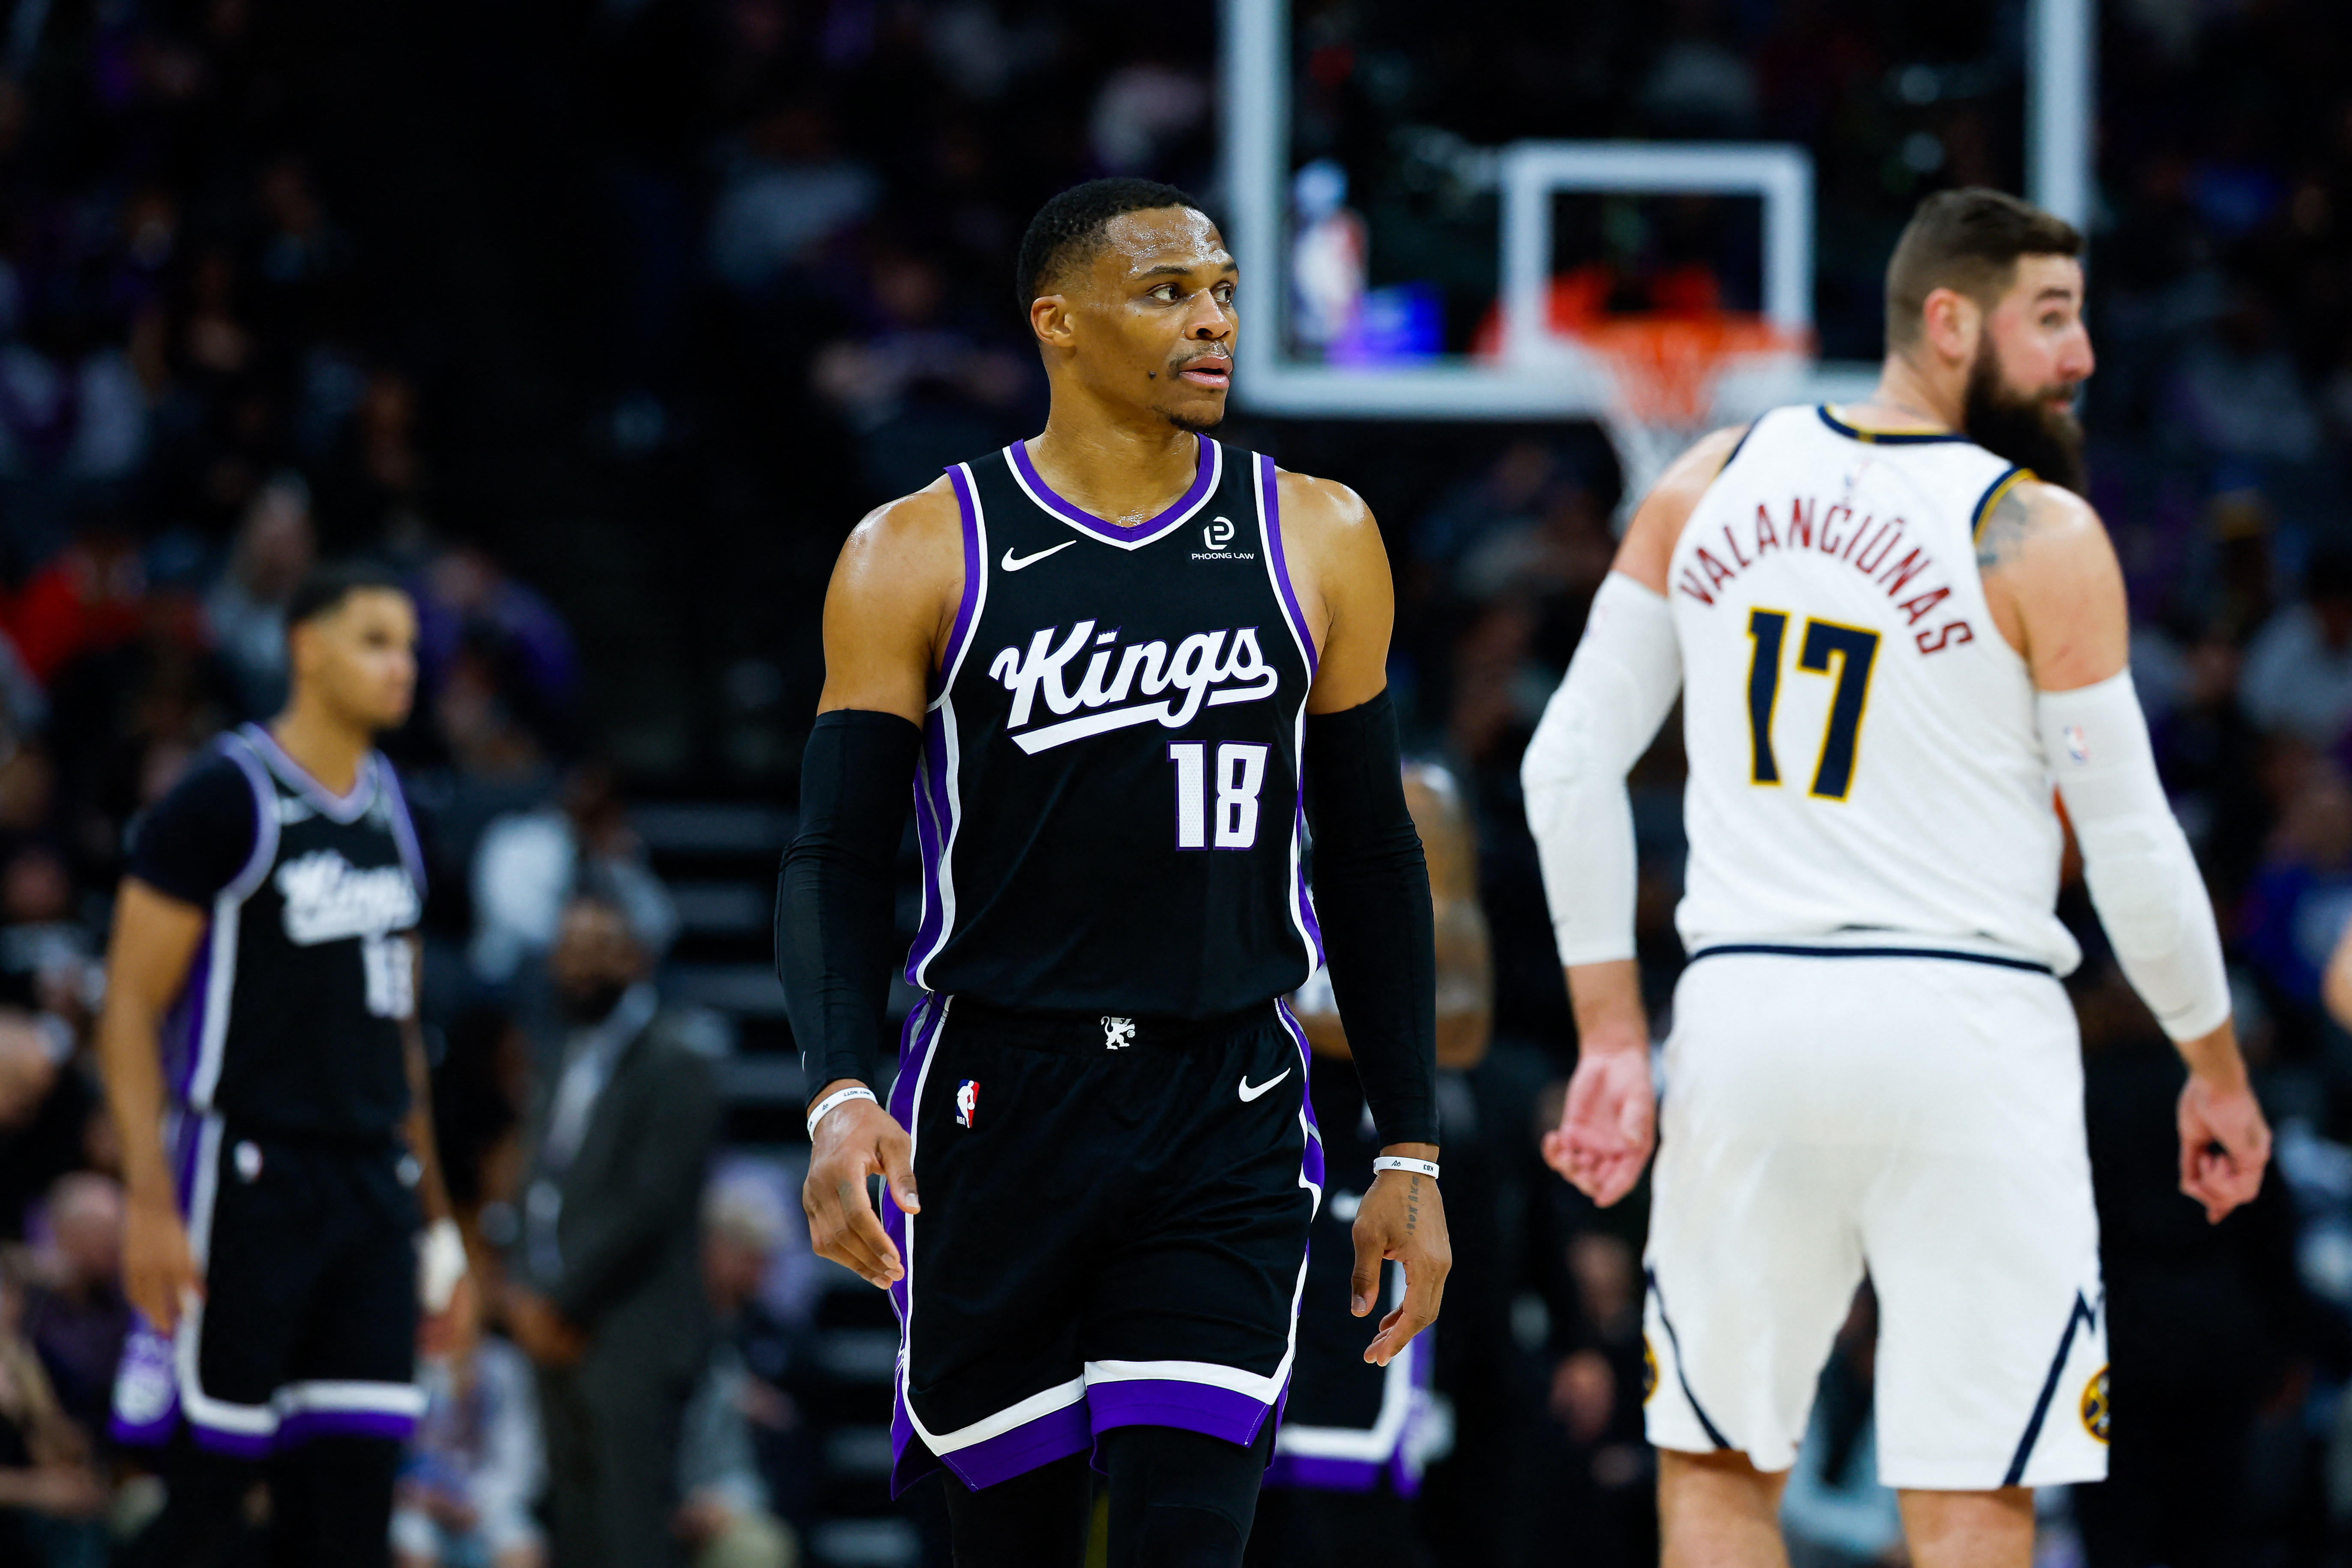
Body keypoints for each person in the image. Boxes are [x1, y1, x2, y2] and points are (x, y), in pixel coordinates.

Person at [1519, 187, 2272, 1566]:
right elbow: (2130, 840)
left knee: (1717, 1472)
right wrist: (2211, 1064)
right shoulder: (2036, 534)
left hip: (1745, 1017)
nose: (2082, 355)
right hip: (1966, 1025)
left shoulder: (1700, 484)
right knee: (1975, 1492)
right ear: (1947, 321)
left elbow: (1563, 769)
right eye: (2050, 318)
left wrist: (1612, 1032)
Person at [776, 176, 1450, 1566]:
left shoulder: (1316, 532)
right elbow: (838, 853)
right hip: (995, 1096)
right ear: (1058, 324)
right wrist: (841, 1091)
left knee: (1187, 1536)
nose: (1212, 321)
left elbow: (1373, 855)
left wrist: (1409, 1143)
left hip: (1228, 1102)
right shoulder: (916, 547)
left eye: (1220, 291)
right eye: (1166, 294)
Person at [94, 561, 470, 1567]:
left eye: (409, 644)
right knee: (207, 1496)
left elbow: (401, 1034)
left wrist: (440, 1225)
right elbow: (127, 1009)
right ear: (307, 647)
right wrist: (146, 1200)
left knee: (352, 1507)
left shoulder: (405, 814)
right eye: (375, 641)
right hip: (242, 1176)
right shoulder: (223, 798)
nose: (403, 665)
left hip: (370, 1191)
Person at [1247, 762, 1489, 1566]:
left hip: (1361, 1168)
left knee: (1342, 1496)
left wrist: (1258, 1003)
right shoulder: (1209, 755)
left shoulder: (1417, 792)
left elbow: (1462, 1019)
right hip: (1230, 1159)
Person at [504, 893, 719, 1568]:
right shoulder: (559, 1051)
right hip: (554, 1328)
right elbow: (538, 1183)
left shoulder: (679, 1061)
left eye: (600, 946)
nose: (579, 964)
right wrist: (523, 1291)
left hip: (633, 1335)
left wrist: (558, 1301)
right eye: (569, 946)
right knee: (576, 1538)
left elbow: (647, 1207)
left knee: (632, 1542)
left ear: (638, 957)